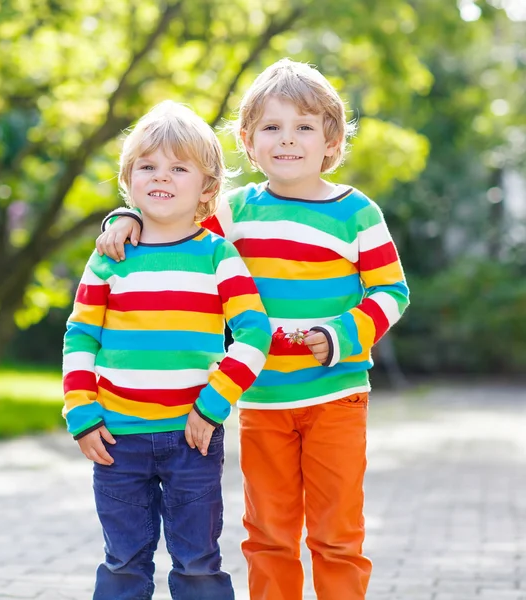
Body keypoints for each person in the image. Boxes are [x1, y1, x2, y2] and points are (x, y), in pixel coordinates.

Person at [96, 59, 410, 600]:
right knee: (269, 534)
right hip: (260, 402)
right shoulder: (233, 210)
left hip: (336, 397)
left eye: (304, 127)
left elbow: (391, 291)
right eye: (272, 127)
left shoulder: (357, 212)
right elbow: (170, 222)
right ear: (247, 139)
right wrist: (122, 219)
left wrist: (341, 334)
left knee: (336, 534)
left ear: (331, 141)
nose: (287, 140)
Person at [62, 100, 272, 600]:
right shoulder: (111, 257)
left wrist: (214, 403)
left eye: (179, 168)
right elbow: (80, 336)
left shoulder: (217, 255)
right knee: (123, 562)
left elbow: (254, 333)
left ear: (207, 188)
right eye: (148, 166)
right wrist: (81, 412)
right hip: (117, 440)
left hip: (191, 437)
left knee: (198, 563)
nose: (162, 176)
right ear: (128, 178)